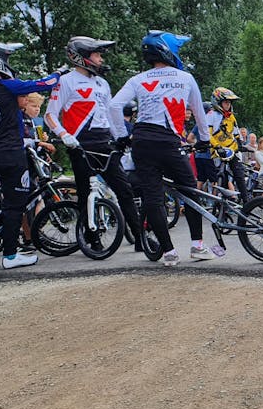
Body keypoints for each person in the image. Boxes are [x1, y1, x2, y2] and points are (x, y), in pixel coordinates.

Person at [108, 30, 219, 267]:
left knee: (153, 197)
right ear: (168, 51)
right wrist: (205, 140)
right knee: (191, 191)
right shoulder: (185, 77)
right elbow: (199, 112)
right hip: (168, 142)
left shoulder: (138, 79)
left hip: (141, 142)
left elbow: (114, 106)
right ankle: (197, 245)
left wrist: (121, 136)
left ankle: (168, 252)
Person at [46, 35, 144, 252]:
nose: (100, 59)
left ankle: (140, 237)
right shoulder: (65, 81)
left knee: (124, 189)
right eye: (97, 54)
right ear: (82, 57)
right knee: (84, 194)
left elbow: (109, 115)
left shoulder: (103, 83)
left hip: (103, 143)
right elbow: (50, 115)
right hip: (79, 144)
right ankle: (92, 239)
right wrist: (64, 135)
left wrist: (121, 138)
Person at [0, 39, 64, 268]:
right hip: (11, 152)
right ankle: (10, 255)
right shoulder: (7, 85)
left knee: (11, 199)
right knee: (16, 204)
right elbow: (43, 84)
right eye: (6, 58)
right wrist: (59, 72)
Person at [205, 86, 250, 202]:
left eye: (229, 102)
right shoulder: (211, 115)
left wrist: (239, 142)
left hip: (231, 149)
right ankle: (223, 202)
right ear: (218, 102)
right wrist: (217, 146)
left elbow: (236, 131)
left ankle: (246, 200)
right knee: (222, 176)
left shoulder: (231, 116)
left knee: (239, 173)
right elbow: (208, 134)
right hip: (217, 150)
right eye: (225, 102)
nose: (228, 105)